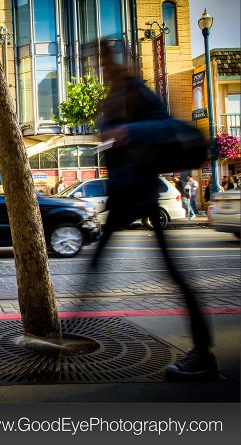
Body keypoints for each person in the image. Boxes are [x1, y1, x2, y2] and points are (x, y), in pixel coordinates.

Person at [90, 42, 217, 379]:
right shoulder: (113, 97)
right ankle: (74, 326)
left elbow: (165, 129)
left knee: (173, 274)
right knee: (95, 263)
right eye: (98, 60)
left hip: (142, 193)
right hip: (124, 196)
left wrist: (127, 132)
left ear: (120, 61)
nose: (101, 66)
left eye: (104, 59)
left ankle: (203, 354)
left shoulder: (139, 92)